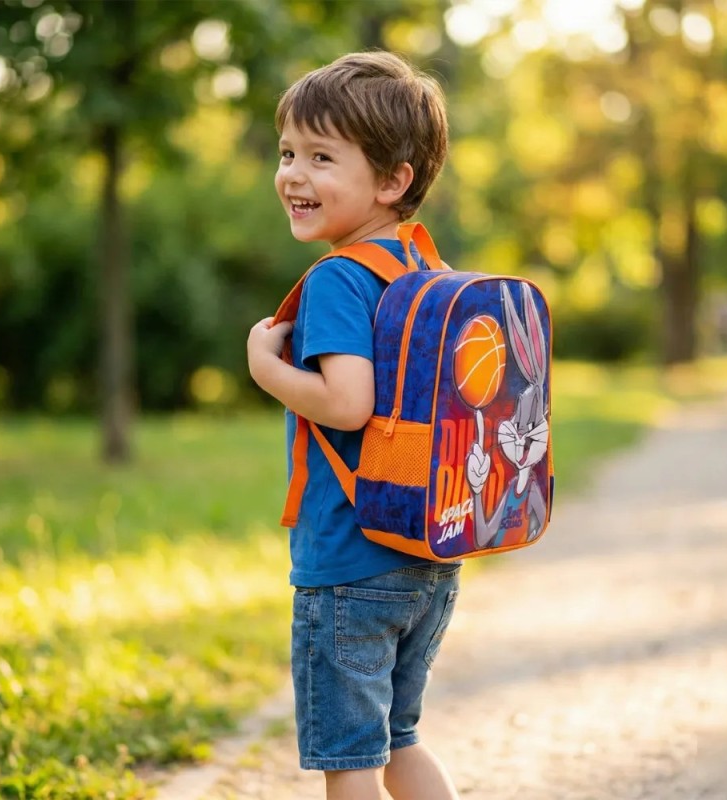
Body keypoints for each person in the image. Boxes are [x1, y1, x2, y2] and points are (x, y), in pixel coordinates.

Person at [247, 51, 460, 800]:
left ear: (392, 181)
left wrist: (265, 367)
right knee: (400, 742)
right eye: (287, 153)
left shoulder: (341, 275)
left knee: (351, 762)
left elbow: (346, 404)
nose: (293, 175)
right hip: (427, 554)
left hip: (349, 563)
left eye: (321, 157)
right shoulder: (422, 268)